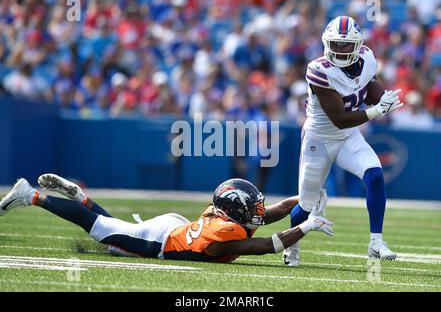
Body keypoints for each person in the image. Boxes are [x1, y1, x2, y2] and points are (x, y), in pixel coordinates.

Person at [283, 16, 402, 266]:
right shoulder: (319, 70)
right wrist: (377, 110)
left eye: (346, 45)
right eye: (335, 44)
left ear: (358, 45)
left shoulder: (368, 57)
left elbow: (368, 84)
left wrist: (385, 98)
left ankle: (376, 242)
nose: (340, 49)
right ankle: (291, 247)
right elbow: (339, 118)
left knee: (375, 174)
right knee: (305, 205)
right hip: (319, 138)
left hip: (348, 137)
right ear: (326, 43)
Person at [0, 175, 333, 263]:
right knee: (101, 229)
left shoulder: (224, 216)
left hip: (170, 229)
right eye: (251, 205)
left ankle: (81, 198)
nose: (258, 210)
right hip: (160, 240)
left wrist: (308, 198)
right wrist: (306, 225)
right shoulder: (226, 233)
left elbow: (272, 212)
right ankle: (31, 195)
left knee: (118, 229)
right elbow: (264, 245)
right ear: (234, 210)